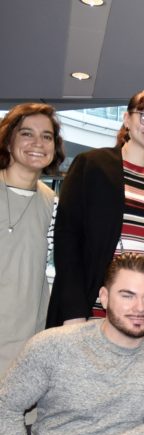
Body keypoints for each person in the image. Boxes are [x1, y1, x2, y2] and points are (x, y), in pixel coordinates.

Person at [0, 253, 144, 435]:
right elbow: (5, 407)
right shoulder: (54, 345)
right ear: (104, 297)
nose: (140, 308)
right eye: (127, 295)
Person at [48, 89, 144, 329]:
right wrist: (73, 310)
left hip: (142, 313)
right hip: (92, 306)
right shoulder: (92, 166)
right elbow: (67, 240)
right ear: (127, 119)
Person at [0, 103, 64, 374]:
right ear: (8, 139)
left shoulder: (52, 203)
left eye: (47, 136)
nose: (38, 143)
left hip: (27, 341)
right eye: (27, 133)